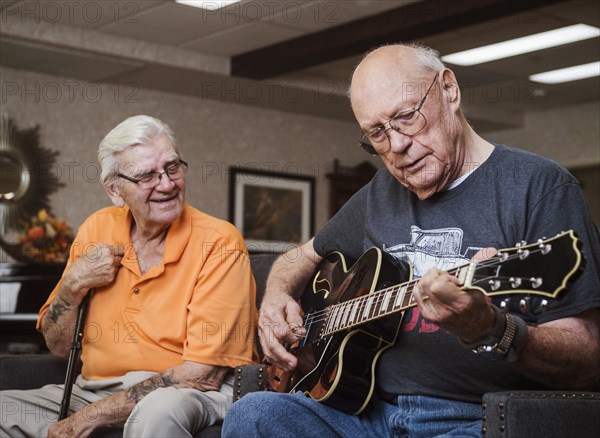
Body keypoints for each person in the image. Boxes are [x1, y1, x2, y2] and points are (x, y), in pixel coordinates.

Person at [222, 44, 600, 437]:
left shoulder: (539, 187)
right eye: (377, 133)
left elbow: (588, 362)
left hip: (475, 420)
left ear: (449, 89)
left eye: (406, 117)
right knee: (253, 414)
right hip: (367, 414)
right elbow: (300, 255)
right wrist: (275, 297)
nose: (397, 145)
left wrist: (491, 328)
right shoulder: (378, 192)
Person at [1, 115, 258, 437]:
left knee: (156, 411)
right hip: (93, 389)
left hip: (189, 391)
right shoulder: (98, 228)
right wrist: (72, 285)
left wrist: (88, 418)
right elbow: (58, 346)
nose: (166, 184)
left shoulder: (219, 242)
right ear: (115, 190)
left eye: (172, 167)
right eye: (147, 176)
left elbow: (201, 373)